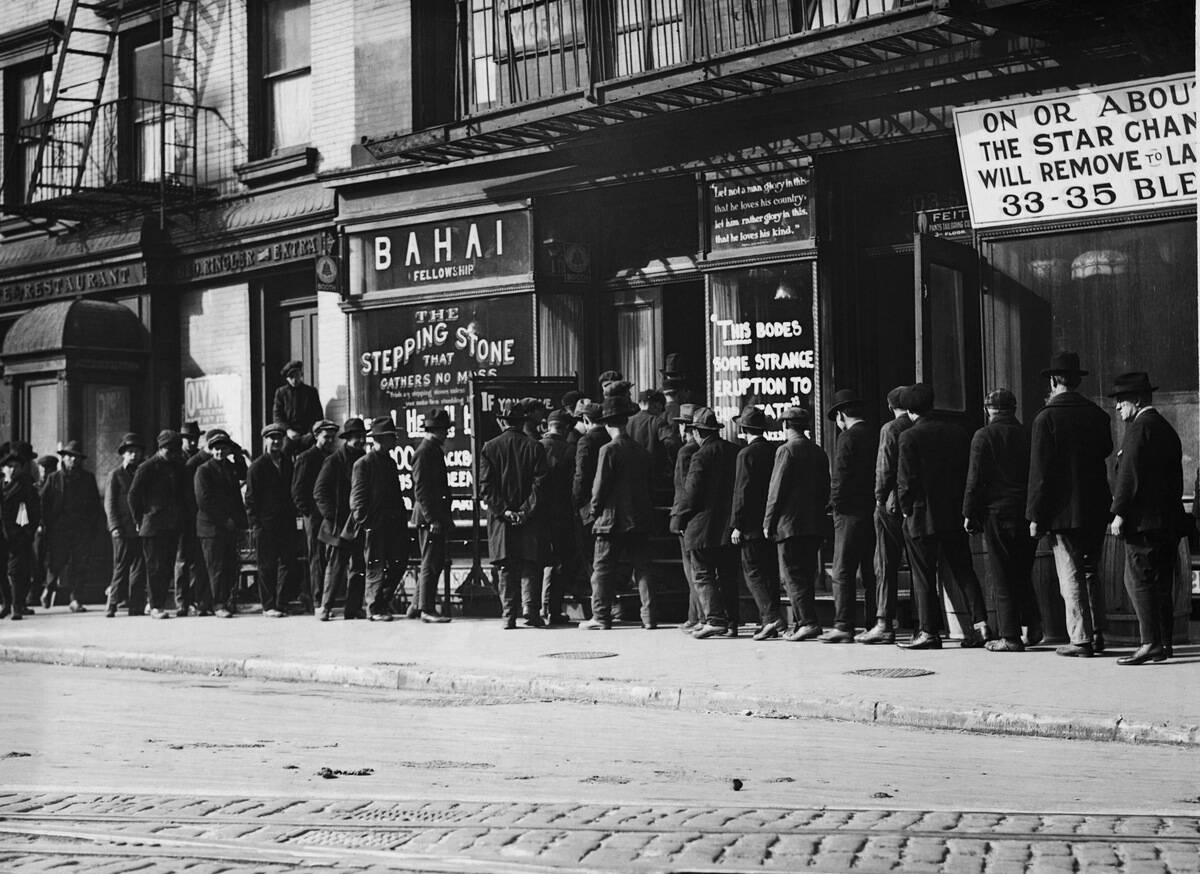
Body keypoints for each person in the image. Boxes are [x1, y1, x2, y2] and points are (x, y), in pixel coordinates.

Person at [1027, 351, 1112, 658]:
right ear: (1077, 381)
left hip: (1062, 511)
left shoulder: (1045, 418)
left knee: (1070, 572)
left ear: (1053, 381)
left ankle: (1080, 638)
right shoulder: (1098, 415)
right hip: (1096, 506)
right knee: (1090, 570)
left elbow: (1040, 473)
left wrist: (1035, 515)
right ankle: (1099, 632)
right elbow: (1105, 450)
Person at [896, 383, 989, 650]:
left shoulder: (909, 437)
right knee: (964, 571)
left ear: (911, 410)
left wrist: (905, 508)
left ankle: (928, 631)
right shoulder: (957, 433)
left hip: (922, 516)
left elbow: (906, 481)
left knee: (923, 575)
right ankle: (981, 625)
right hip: (953, 514)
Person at [1107, 372, 1185, 665]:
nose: (1117, 407)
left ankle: (1149, 642)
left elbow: (1129, 476)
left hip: (1144, 522)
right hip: (1168, 521)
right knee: (1162, 582)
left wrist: (1119, 513)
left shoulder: (1139, 428)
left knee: (1137, 580)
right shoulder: (1165, 428)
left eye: (1121, 401)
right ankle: (1164, 642)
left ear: (1137, 400)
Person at [963, 389, 1040, 653]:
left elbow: (974, 479)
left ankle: (1010, 635)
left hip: (996, 512)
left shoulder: (983, 436)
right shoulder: (1029, 434)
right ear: (1014, 409)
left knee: (1002, 574)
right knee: (1022, 571)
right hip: (1026, 512)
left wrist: (969, 513)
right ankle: (1033, 625)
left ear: (988, 410)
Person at [581, 392, 656, 630]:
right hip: (639, 518)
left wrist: (593, 512)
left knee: (602, 570)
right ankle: (649, 617)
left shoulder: (608, 450)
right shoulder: (640, 450)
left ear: (605, 423)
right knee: (643, 569)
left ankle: (601, 617)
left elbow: (600, 487)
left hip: (611, 520)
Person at [479, 400, 547, 629]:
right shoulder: (535, 447)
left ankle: (508, 615)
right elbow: (540, 486)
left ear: (501, 422)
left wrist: (505, 510)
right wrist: (525, 511)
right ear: (522, 422)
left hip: (502, 521)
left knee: (506, 567)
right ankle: (531, 612)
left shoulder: (489, 447)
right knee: (530, 564)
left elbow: (486, 488)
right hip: (531, 519)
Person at [764, 406, 829, 641]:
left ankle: (807, 622)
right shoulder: (818, 452)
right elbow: (825, 489)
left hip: (789, 526)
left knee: (791, 575)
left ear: (785, 426)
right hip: (813, 524)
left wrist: (768, 522)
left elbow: (776, 491)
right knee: (807, 574)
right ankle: (805, 620)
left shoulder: (786, 451)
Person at [679, 407, 740, 639]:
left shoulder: (700, 455)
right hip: (728, 526)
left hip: (702, 526)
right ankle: (733, 622)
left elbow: (692, 493)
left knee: (703, 573)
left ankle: (714, 620)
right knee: (728, 576)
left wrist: (680, 519)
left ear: (698, 433)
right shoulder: (734, 451)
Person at [824, 389, 879, 643]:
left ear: (841, 416)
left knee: (842, 570)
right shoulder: (876, 433)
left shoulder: (847, 438)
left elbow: (841, 476)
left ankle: (843, 624)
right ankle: (873, 622)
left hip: (848, 512)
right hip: (872, 510)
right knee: (870, 570)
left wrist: (835, 504)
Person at [347, 417, 411, 622]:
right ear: (381, 439)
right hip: (374, 526)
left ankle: (382, 600)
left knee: (399, 562)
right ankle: (374, 607)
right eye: (392, 437)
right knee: (375, 566)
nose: (395, 441)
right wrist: (365, 522)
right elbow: (357, 499)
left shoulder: (390, 463)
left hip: (393, 525)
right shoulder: (363, 464)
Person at [860, 386, 911, 644]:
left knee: (885, 563)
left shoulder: (890, 429)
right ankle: (920, 622)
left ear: (891, 407)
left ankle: (884, 622)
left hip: (891, 504)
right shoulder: (916, 426)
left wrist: (880, 498)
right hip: (915, 505)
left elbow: (884, 468)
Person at [730, 406, 782, 640]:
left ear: (743, 428)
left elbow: (743, 491)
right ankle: (768, 619)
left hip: (750, 525)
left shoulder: (746, 454)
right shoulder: (774, 450)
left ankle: (771, 618)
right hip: (770, 522)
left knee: (753, 572)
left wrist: (737, 524)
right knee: (769, 572)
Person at [128, 430, 186, 619]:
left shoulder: (177, 466)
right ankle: (155, 606)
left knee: (167, 566)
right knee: (155, 567)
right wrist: (139, 519)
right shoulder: (147, 467)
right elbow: (133, 496)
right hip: (152, 525)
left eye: (175, 449)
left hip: (172, 524)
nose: (172, 453)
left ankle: (154, 602)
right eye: (169, 449)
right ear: (160, 448)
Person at [314, 418, 368, 621]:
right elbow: (319, 492)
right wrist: (332, 517)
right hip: (338, 524)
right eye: (356, 437)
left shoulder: (363, 458)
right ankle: (326, 607)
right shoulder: (334, 461)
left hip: (358, 521)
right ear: (347, 439)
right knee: (336, 567)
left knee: (358, 567)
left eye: (362, 437)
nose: (361, 441)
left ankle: (352, 608)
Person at [41, 439, 104, 612]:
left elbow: (94, 505)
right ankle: (49, 588)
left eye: (76, 458)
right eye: (69, 457)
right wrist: (44, 524)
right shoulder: (54, 479)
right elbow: (43, 503)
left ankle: (76, 599)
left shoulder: (87, 478)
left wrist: (94, 526)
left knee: (80, 564)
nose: (73, 461)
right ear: (64, 458)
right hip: (59, 528)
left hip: (81, 529)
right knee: (56, 562)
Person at [245, 423, 298, 618]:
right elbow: (250, 499)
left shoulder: (288, 463)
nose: (276, 441)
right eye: (272, 438)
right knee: (267, 566)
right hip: (265, 526)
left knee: (288, 563)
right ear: (265, 440)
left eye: (279, 438)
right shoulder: (257, 467)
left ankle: (282, 602)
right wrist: (256, 525)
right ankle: (268, 605)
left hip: (286, 524)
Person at [194, 431, 248, 619]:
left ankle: (215, 602)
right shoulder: (204, 470)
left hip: (229, 526)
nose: (219, 452)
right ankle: (216, 604)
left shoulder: (230, 468)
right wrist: (225, 520)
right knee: (214, 567)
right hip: (211, 527)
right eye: (216, 449)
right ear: (211, 450)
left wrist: (239, 455)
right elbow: (204, 501)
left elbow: (239, 486)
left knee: (227, 565)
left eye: (223, 448)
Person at [410, 408, 453, 623]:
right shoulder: (425, 452)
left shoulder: (430, 449)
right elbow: (421, 489)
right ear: (434, 430)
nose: (446, 434)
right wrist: (432, 518)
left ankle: (417, 606)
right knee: (430, 562)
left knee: (432, 560)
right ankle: (426, 609)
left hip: (433, 516)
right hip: (431, 518)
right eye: (444, 430)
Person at [292, 419, 338, 613]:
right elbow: (298, 491)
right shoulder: (306, 458)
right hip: (315, 517)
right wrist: (310, 513)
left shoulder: (332, 457)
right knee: (317, 557)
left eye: (332, 437)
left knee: (331, 556)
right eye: (325, 437)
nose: (329, 441)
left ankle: (330, 598)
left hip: (330, 515)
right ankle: (319, 600)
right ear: (316, 436)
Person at [539, 408, 578, 625]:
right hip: (562, 513)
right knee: (560, 562)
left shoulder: (536, 446)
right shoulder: (569, 449)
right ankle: (553, 608)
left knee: (540, 561)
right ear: (564, 428)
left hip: (539, 513)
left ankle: (536, 607)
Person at [104, 433, 147, 618]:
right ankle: (113, 603)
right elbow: (110, 502)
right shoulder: (116, 475)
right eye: (130, 452)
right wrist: (114, 526)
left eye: (137, 452)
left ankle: (136, 605)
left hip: (141, 527)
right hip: (122, 529)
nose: (134, 455)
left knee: (139, 568)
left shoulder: (144, 472)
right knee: (121, 567)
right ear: (123, 454)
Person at [572, 398, 610, 595]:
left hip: (588, 506)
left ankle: (599, 603)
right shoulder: (610, 438)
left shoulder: (585, 441)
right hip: (610, 504)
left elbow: (581, 475)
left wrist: (576, 503)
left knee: (591, 557)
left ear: (586, 419)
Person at [668, 404, 701, 632]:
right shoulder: (703, 449)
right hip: (703, 518)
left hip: (688, 518)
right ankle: (694, 615)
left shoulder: (685, 452)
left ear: (684, 427)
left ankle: (697, 616)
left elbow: (683, 489)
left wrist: (677, 519)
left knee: (692, 571)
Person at [0, 451, 40, 620]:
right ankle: (6, 604)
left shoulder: (25, 487)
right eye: (9, 466)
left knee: (17, 571)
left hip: (18, 535)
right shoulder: (1, 485)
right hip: (0, 536)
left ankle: (18, 606)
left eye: (16, 466)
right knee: (1, 571)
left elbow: (32, 510)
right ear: (3, 469)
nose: (13, 469)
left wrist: (27, 532)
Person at [175, 422, 208, 616]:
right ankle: (181, 602)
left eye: (195, 438)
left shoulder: (201, 460)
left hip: (198, 514)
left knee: (197, 560)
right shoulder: (178, 459)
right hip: (181, 517)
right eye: (188, 439)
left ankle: (195, 600)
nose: (193, 442)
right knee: (181, 560)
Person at [272, 360, 324, 451]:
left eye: (296, 375)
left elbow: (318, 415)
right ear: (287, 379)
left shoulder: (311, 392)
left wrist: (310, 432)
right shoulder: (281, 393)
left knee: (313, 452)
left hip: (307, 432)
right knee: (284, 449)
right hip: (288, 434)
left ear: (301, 374)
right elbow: (277, 416)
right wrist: (288, 430)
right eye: (291, 377)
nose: (294, 380)